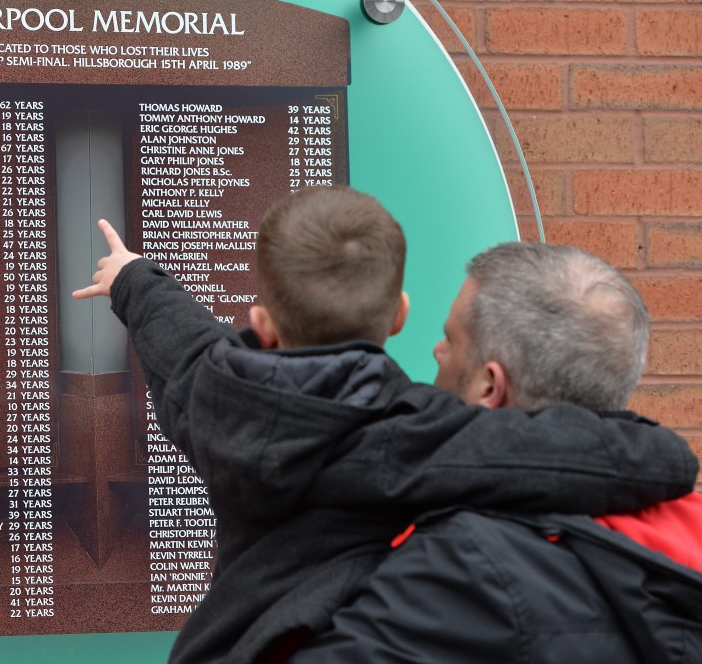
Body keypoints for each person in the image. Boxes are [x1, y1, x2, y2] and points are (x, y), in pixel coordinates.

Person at [72, 187, 698, 664]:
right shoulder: (422, 439)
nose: (434, 352)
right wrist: (657, 453)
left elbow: (186, 356)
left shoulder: (217, 402)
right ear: (397, 314)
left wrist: (134, 282)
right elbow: (553, 455)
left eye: (450, 341)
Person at [288, 242, 702, 664]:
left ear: (490, 386)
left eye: (451, 338)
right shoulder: (687, 521)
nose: (438, 350)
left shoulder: (461, 566)